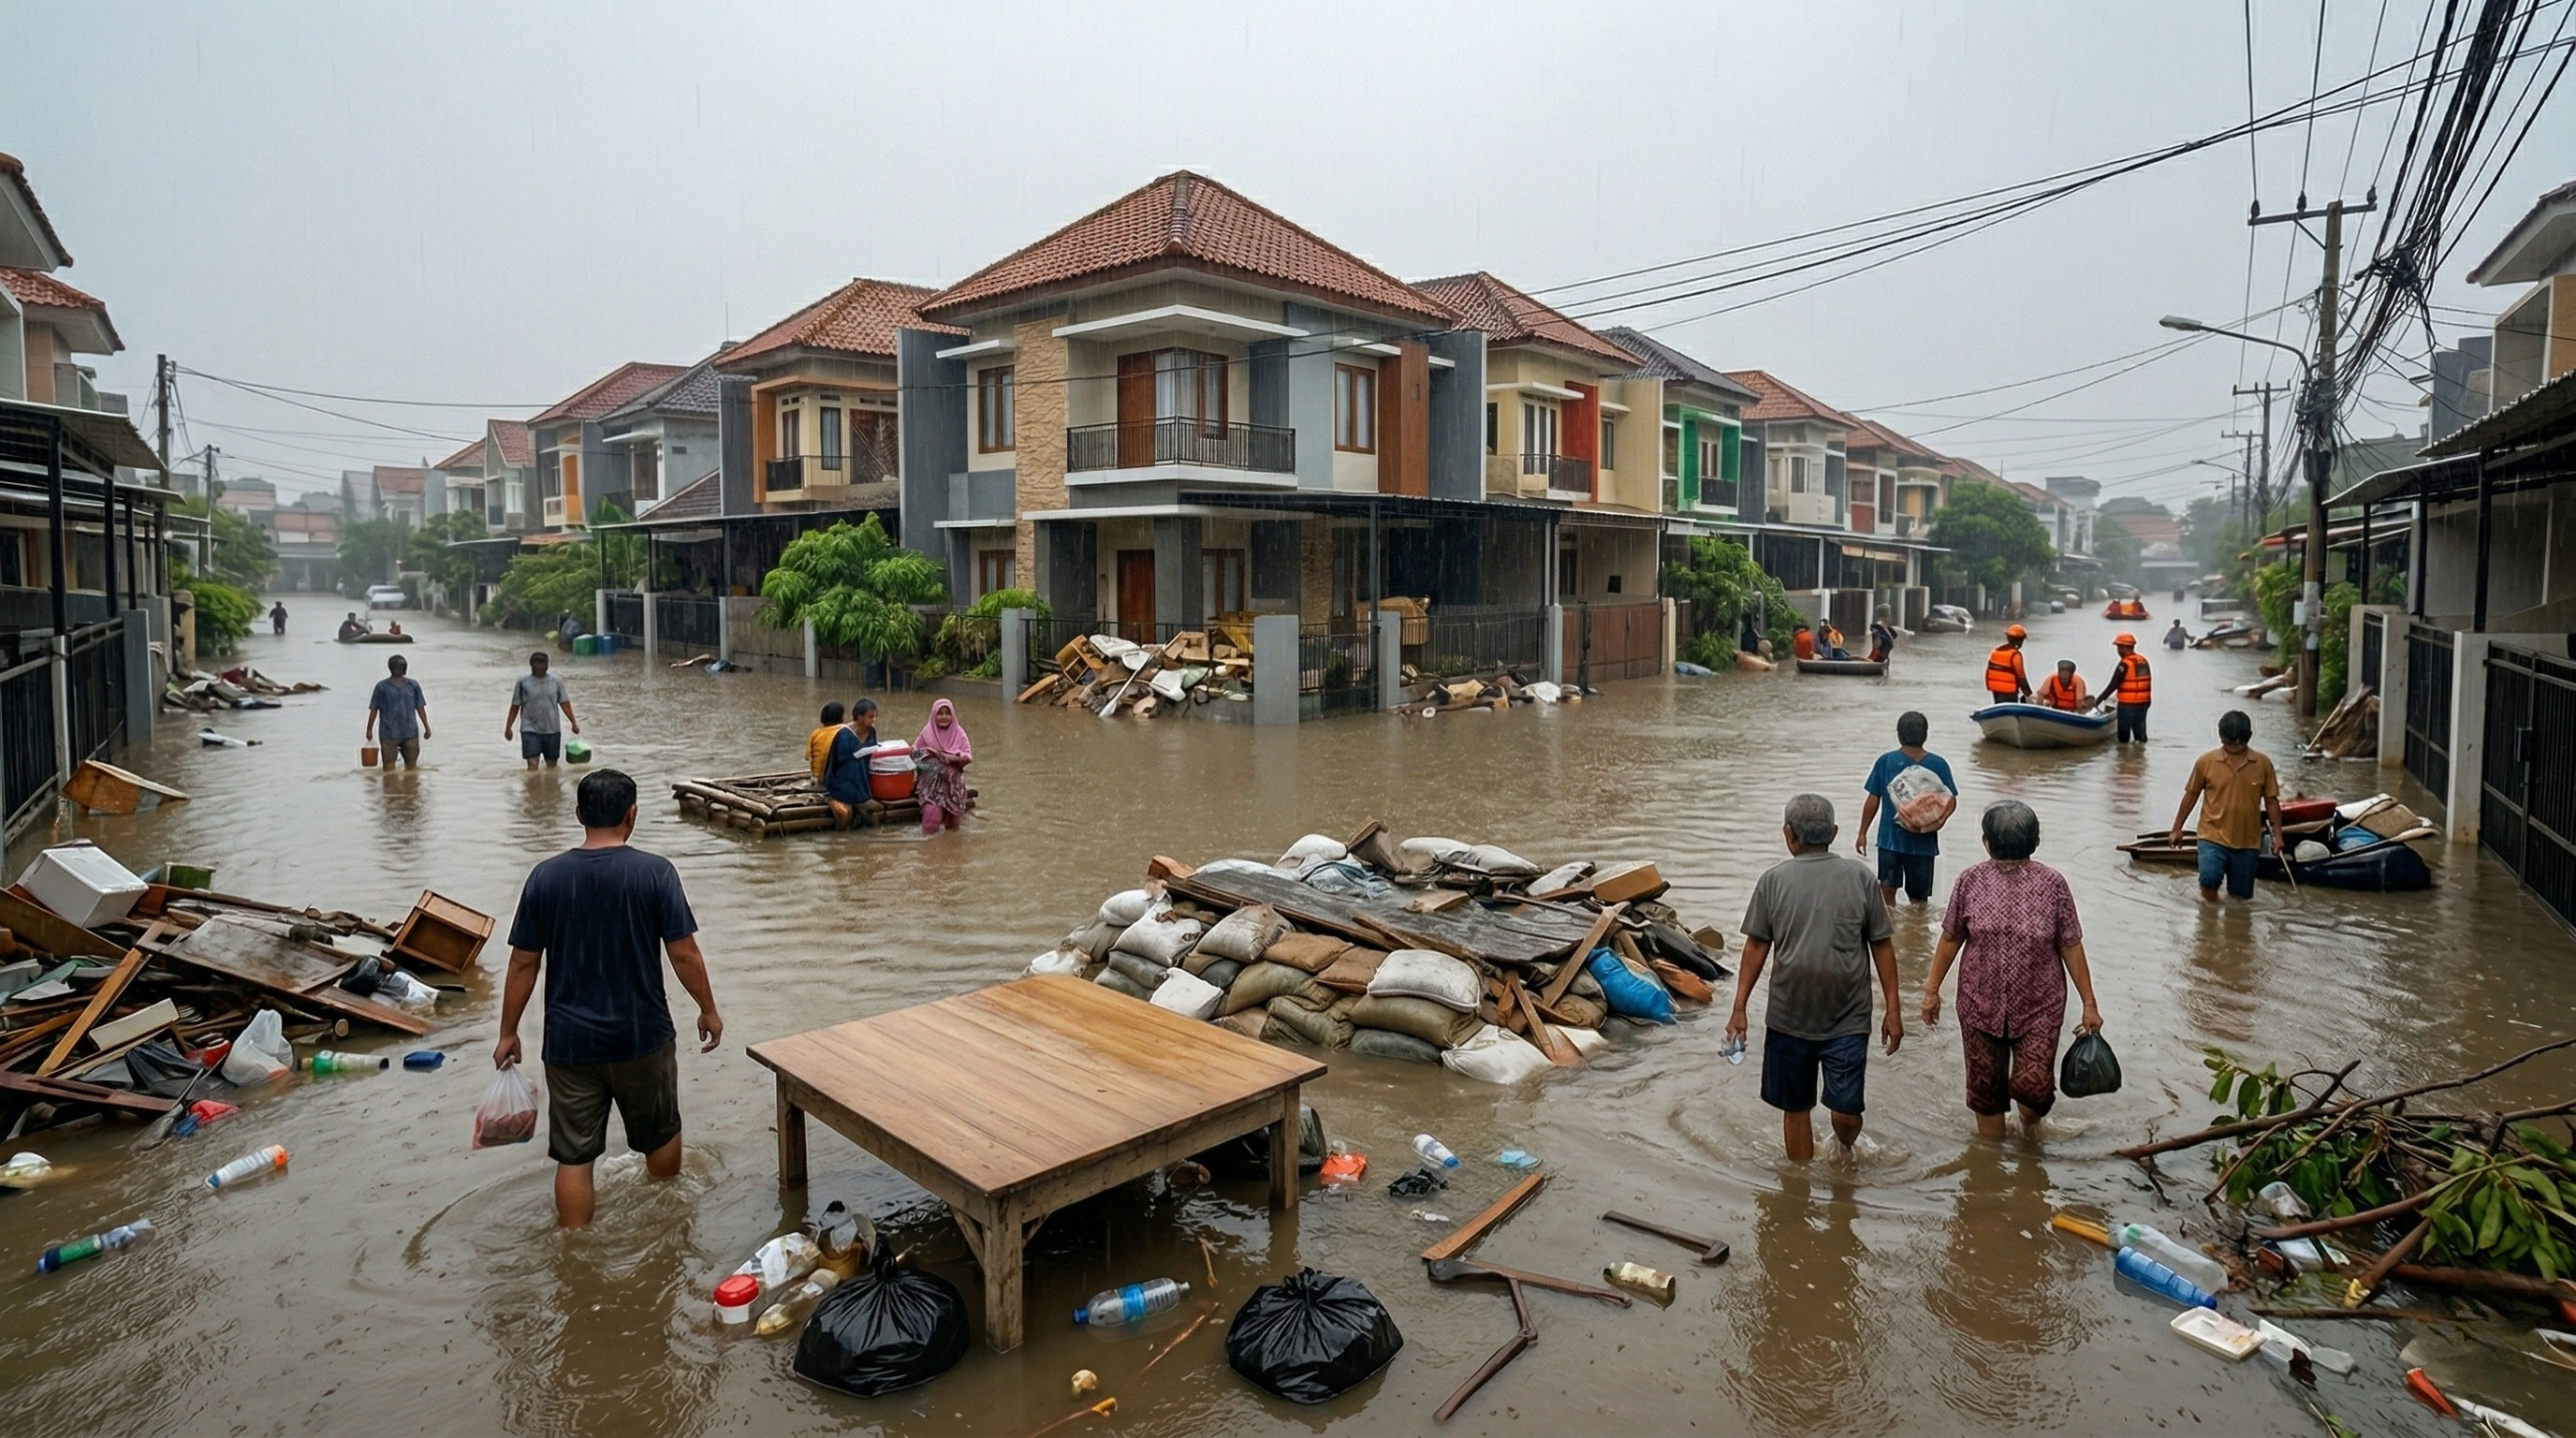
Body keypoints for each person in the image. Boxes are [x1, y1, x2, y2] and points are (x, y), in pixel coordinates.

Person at [493, 769, 721, 1228]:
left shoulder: (545, 877)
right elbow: (684, 954)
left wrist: (508, 1032)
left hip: (570, 1043)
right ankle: (664, 1226)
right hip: (642, 1035)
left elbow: (523, 963)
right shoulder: (656, 873)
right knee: (661, 1134)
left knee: (574, 1155)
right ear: (632, 815)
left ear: (578, 814)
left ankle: (573, 1247)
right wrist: (708, 1009)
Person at [1726, 795, 1902, 1162]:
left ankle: (1844, 1146)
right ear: (1835, 832)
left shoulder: (1860, 879)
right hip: (1789, 1020)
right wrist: (1739, 1007)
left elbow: (1880, 945)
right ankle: (1800, 1189)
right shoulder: (1773, 881)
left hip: (1848, 1020)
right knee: (1796, 1108)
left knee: (1847, 1112)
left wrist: (1893, 1009)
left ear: (1788, 834)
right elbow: (1756, 945)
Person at [1919, 800, 2104, 1140]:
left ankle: (2030, 1132)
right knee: (1986, 1096)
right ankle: (1991, 1173)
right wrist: (1931, 992)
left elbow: (2070, 944)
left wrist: (2089, 1002)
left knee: (2034, 1090)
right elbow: (1951, 938)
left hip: (2039, 1007)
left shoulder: (2053, 884)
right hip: (1979, 1005)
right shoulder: (1970, 881)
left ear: (1986, 841)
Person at [2168, 709, 2287, 902]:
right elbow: (2191, 795)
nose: (2234, 748)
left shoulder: (2263, 764)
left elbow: (2272, 801)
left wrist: (2278, 836)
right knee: (2209, 879)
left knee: (2241, 897)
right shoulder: (2206, 762)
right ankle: (2208, 921)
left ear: (2248, 738)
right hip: (2211, 835)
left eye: (2239, 744)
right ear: (2221, 738)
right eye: (2230, 743)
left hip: (2247, 841)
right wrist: (2177, 829)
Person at [1856, 711, 1958, 907]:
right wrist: (1938, 820)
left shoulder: (1886, 761)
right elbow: (1951, 800)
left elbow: (1873, 799)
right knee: (1919, 900)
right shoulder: (1938, 764)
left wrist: (1862, 832)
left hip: (1890, 841)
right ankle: (1917, 935)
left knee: (1887, 892)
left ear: (1898, 734)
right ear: (1925, 734)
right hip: (1923, 843)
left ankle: (1891, 932)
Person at [505, 651, 579, 770]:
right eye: (536, 664)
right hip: (529, 729)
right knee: (532, 765)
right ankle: (533, 788)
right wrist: (508, 728)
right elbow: (515, 706)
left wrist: (574, 723)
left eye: (542, 664)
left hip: (552, 729)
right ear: (531, 665)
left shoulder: (556, 681)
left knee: (551, 766)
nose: (539, 667)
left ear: (547, 665)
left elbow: (565, 704)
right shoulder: (523, 682)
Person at [913, 698, 973, 834]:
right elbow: (914, 753)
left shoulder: (959, 733)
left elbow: (968, 756)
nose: (944, 717)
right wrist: (932, 759)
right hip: (931, 786)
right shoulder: (926, 733)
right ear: (934, 715)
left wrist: (954, 757)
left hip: (953, 784)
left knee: (953, 825)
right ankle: (929, 850)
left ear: (952, 715)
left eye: (948, 713)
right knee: (931, 819)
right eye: (940, 714)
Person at [820, 697, 881, 825]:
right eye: (870, 717)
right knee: (845, 814)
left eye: (875, 716)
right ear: (859, 717)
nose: (873, 720)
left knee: (875, 813)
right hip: (842, 782)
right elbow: (840, 764)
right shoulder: (844, 735)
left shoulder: (871, 732)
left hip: (862, 783)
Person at [365, 654, 430, 769]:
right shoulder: (381, 687)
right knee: (389, 767)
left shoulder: (413, 686)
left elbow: (420, 708)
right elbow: (374, 709)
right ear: (390, 668)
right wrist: (369, 730)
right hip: (389, 734)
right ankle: (390, 786)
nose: (398, 669)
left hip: (410, 733)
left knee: (411, 767)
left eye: (401, 666)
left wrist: (427, 727)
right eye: (396, 666)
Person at [2106, 632, 2153, 742]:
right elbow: (2147, 682)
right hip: (2143, 702)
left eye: (2119, 647)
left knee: (2123, 736)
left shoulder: (2124, 664)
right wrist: (2148, 701)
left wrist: (2099, 699)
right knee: (2140, 734)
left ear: (2124, 648)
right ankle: (2140, 756)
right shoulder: (2143, 661)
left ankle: (2123, 757)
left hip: (2127, 704)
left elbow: (2113, 685)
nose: (2118, 650)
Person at [1984, 624, 2031, 703]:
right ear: (2020, 640)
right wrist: (2029, 694)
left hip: (1996, 690)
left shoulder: (1996, 651)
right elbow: (2021, 678)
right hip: (2010, 693)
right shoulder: (2015, 655)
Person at [807, 702, 847, 782]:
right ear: (842, 717)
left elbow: (808, 756)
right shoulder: (845, 731)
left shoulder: (816, 733)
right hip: (835, 780)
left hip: (817, 778)